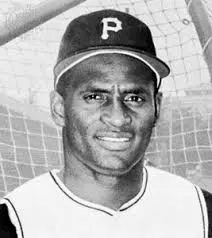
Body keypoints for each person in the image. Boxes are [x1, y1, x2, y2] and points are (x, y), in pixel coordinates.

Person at [0, 9, 211, 238]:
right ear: (59, 108)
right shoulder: (16, 219)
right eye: (95, 97)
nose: (118, 118)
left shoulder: (200, 213)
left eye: (134, 98)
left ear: (157, 107)